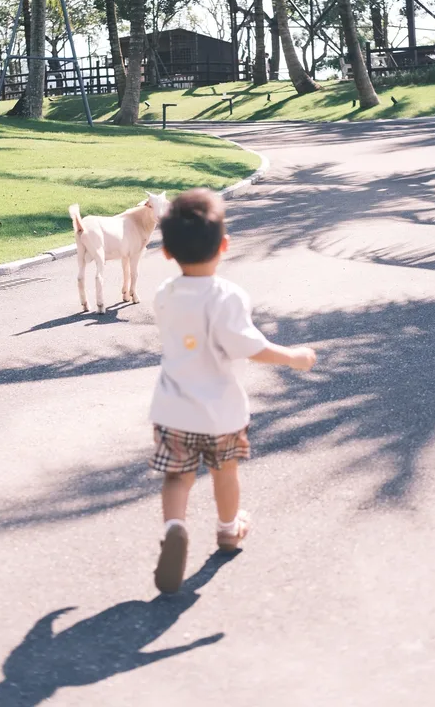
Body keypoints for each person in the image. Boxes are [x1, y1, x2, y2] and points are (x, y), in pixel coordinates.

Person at [150, 188, 317, 593]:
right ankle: (228, 530)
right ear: (224, 245)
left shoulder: (163, 296)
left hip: (172, 410)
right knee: (225, 473)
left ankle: (175, 528)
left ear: (167, 253)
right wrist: (292, 357)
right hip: (221, 414)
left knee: (177, 477)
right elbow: (250, 347)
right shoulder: (228, 297)